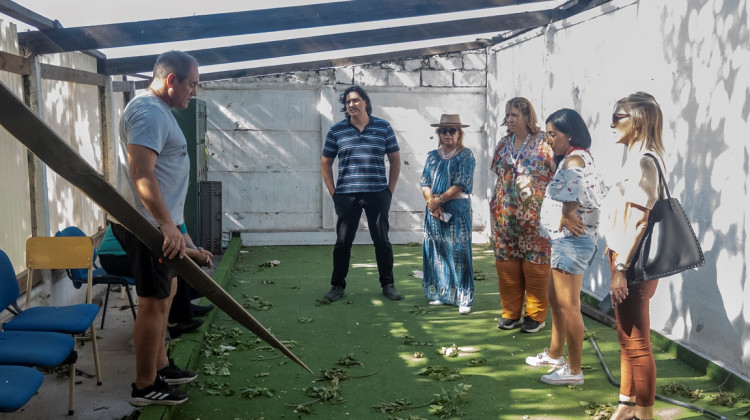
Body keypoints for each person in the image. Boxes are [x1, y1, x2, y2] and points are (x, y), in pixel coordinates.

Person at [109, 50, 200, 407]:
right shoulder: (148, 111)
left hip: (161, 227)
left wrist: (182, 233)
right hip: (147, 228)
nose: (194, 91)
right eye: (191, 84)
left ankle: (160, 366)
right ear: (171, 80)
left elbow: (163, 178)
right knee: (153, 304)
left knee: (167, 298)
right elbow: (141, 174)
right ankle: (145, 386)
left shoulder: (158, 110)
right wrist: (164, 224)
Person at [525, 108, 607, 386]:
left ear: (569, 133)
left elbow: (574, 189)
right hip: (564, 242)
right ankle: (555, 354)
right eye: (547, 134)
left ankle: (574, 371)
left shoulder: (574, 159)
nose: (548, 139)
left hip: (571, 242)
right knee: (554, 299)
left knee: (569, 305)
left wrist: (566, 214)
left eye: (552, 134)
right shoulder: (576, 156)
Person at [601, 92, 664, 420]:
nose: (611, 123)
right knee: (627, 339)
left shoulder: (644, 161)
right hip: (624, 259)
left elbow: (639, 220)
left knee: (638, 344)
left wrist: (620, 267)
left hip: (632, 265)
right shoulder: (637, 159)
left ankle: (644, 415)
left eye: (618, 117)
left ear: (638, 122)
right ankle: (626, 406)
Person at [320, 85, 402, 302]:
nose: (352, 105)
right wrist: (334, 193)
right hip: (347, 195)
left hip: (377, 193)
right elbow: (326, 162)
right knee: (342, 242)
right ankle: (337, 286)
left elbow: (395, 159)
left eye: (356, 100)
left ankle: (388, 284)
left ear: (366, 102)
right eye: (348, 102)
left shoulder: (383, 127)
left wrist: (389, 191)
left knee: (382, 241)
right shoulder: (336, 130)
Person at [490, 97, 554, 332]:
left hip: (535, 220)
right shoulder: (503, 144)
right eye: (507, 115)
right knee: (507, 264)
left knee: (535, 264)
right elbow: (498, 175)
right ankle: (511, 314)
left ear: (528, 117)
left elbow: (556, 174)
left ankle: (535, 316)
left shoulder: (544, 143)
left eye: (514, 115)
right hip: (504, 218)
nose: (509, 119)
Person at [98, 224, 215, 338]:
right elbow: (163, 243)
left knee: (181, 263)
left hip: (134, 251)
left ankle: (186, 309)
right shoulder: (161, 213)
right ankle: (174, 323)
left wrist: (197, 250)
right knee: (170, 267)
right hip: (113, 257)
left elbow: (184, 236)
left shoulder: (175, 211)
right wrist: (196, 254)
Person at [419, 114, 476, 315]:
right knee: (436, 250)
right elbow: (424, 181)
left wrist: (439, 201)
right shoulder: (432, 156)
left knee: (459, 252)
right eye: (443, 130)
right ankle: (442, 293)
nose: (447, 134)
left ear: (459, 133)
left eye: (452, 130)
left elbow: (462, 184)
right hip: (435, 210)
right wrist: (431, 204)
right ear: (439, 133)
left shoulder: (466, 155)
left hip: (456, 209)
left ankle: (463, 297)